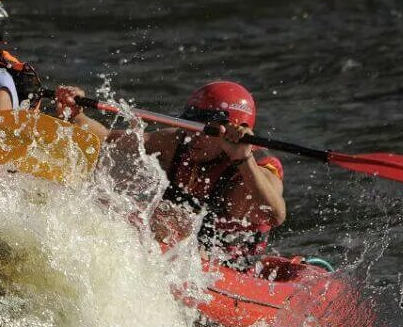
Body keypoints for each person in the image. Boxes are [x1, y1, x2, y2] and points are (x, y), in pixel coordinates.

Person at [54, 81, 286, 266]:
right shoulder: (175, 142)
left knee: (170, 222)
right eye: (191, 125)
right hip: (182, 250)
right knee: (122, 207)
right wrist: (76, 115)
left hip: (232, 266)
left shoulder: (255, 168)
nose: (193, 136)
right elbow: (106, 139)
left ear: (234, 133)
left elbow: (276, 215)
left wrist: (242, 158)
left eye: (205, 130)